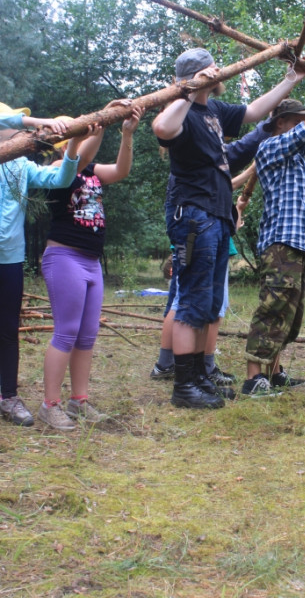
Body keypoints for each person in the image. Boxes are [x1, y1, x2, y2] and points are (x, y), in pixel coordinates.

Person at [152, 47, 305, 410]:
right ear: (197, 76)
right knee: (192, 301)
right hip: (194, 216)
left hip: (217, 216)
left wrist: (291, 79)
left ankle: (199, 377)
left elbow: (253, 113)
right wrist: (189, 90)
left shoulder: (214, 110)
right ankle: (184, 385)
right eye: (212, 69)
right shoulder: (183, 110)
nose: (220, 72)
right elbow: (162, 128)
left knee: (208, 303)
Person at [38, 104, 144, 431]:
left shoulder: (92, 170)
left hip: (90, 262)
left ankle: (79, 401)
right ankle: (50, 405)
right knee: (66, 331)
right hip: (64, 258)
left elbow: (121, 170)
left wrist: (126, 133)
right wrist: (99, 127)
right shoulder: (57, 168)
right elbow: (78, 159)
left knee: (87, 334)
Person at [150, 122, 270, 389]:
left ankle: (179, 365)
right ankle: (195, 367)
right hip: (197, 239)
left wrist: (236, 209)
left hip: (199, 238)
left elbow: (221, 186)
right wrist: (251, 170)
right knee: (194, 304)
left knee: (188, 301)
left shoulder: (198, 159)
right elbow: (222, 183)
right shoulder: (195, 159)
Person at [242, 65, 305, 396]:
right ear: (280, 123)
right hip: (280, 243)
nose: (301, 124)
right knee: (273, 307)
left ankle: (274, 372)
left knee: (288, 311)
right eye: (294, 120)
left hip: (295, 245)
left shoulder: (294, 156)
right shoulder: (270, 148)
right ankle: (254, 377)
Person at [0, 104, 78, 427]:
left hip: (10, 259)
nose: (24, 132)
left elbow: (61, 179)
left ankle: (7, 396)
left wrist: (73, 141)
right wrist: (44, 120)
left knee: (7, 329)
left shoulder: (21, 166)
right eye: (18, 125)